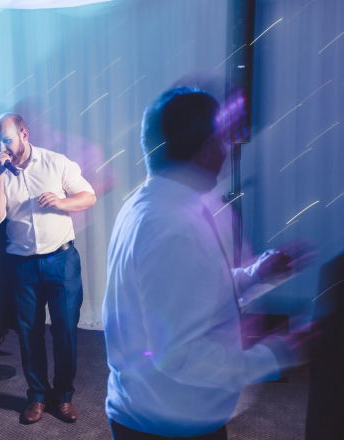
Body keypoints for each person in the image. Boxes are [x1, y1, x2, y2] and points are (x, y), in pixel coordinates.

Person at [102, 87, 313, 439]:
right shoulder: (171, 226)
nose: (227, 151)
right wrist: (278, 353)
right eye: (222, 140)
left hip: (159, 414)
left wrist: (256, 275)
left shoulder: (155, 204)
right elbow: (181, 356)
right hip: (167, 427)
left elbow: (193, 291)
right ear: (204, 150)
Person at [0, 113, 97, 424]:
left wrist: (61, 203)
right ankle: (37, 396)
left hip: (61, 261)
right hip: (22, 265)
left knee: (65, 331)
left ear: (24, 134)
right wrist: (0, 175)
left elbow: (88, 196)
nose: (2, 147)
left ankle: (64, 396)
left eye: (7, 140)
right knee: (29, 332)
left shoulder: (55, 163)